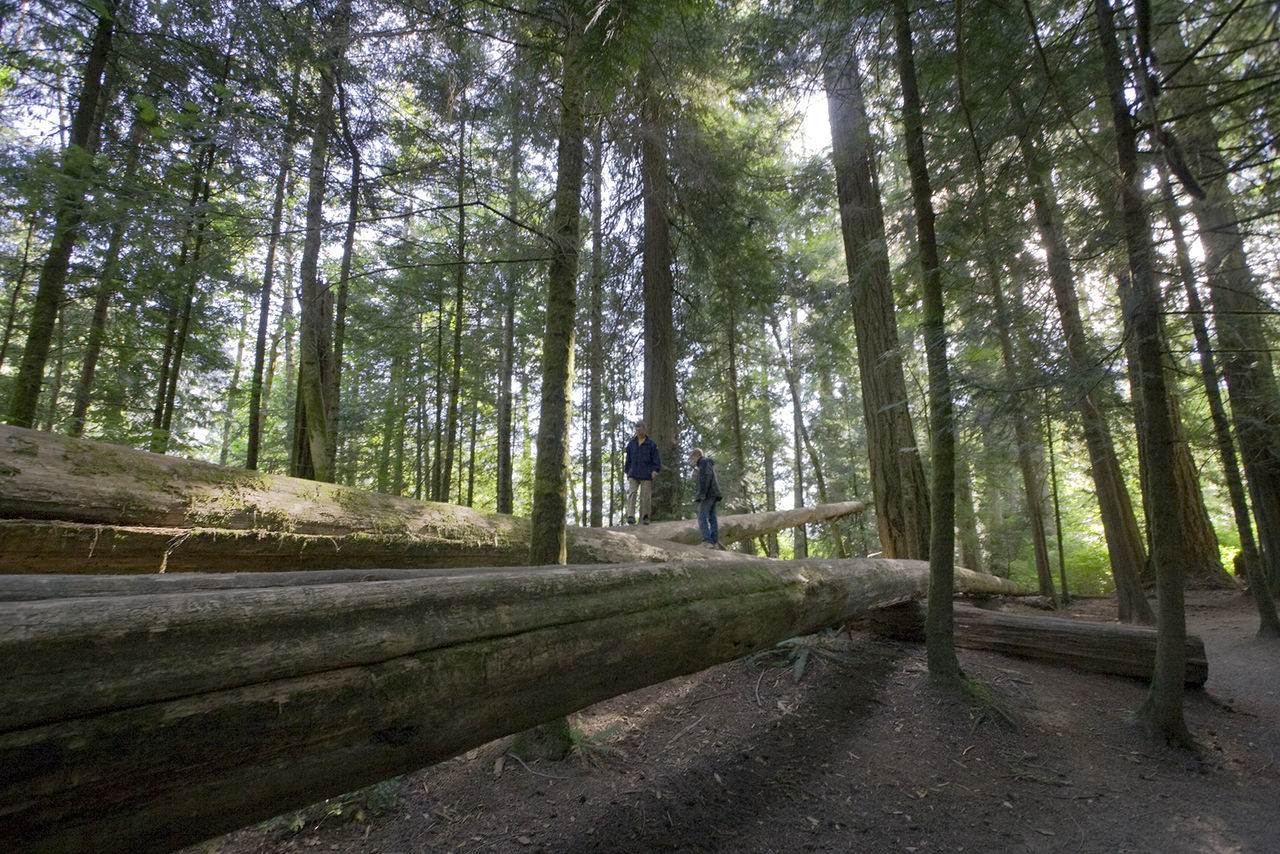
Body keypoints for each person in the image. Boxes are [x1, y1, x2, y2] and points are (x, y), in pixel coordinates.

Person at [624, 420, 661, 524]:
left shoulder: (651, 444)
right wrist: (627, 471)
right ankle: (630, 516)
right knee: (632, 493)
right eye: (637, 430)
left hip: (646, 473)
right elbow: (628, 459)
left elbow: (656, 459)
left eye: (641, 430)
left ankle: (645, 516)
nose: (639, 432)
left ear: (645, 430)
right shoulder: (631, 444)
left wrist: (655, 470)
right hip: (633, 472)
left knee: (646, 496)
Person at [689, 447, 722, 548]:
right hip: (713, 493)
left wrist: (703, 493)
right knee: (712, 517)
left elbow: (706, 477)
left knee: (702, 517)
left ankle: (707, 541)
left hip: (708, 494)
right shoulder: (707, 463)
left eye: (693, 458)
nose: (693, 461)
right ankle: (714, 541)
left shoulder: (703, 462)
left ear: (697, 455)